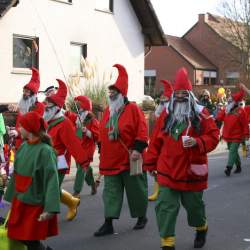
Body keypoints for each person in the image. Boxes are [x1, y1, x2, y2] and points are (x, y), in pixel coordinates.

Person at [144, 67, 219, 250]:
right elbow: (155, 142)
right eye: (176, 94)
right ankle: (167, 242)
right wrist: (150, 163)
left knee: (194, 208)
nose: (178, 97)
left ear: (189, 94)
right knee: (165, 207)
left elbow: (214, 136)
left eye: (182, 94)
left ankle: (201, 227)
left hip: (191, 171)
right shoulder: (166, 115)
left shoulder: (202, 115)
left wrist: (198, 141)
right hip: (167, 169)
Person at [94, 64, 148, 237]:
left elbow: (142, 129)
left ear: (121, 93)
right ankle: (108, 223)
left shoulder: (133, 109)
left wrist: (138, 149)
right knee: (110, 193)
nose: (110, 95)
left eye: (113, 92)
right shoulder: (109, 111)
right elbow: (103, 132)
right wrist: (101, 149)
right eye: (109, 92)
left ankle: (141, 216)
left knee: (136, 191)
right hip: (110, 160)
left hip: (130, 158)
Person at [4, 111, 60, 250]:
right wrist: (6, 202)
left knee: (30, 240)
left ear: (29, 129)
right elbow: (16, 176)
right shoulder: (23, 147)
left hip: (35, 204)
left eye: (21, 126)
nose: (19, 129)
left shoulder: (45, 151)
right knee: (17, 234)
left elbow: (52, 181)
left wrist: (51, 209)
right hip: (20, 201)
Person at [43, 79, 88, 221]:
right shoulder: (47, 120)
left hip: (59, 161)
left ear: (57, 107)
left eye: (49, 105)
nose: (46, 107)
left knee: (51, 189)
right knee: (48, 188)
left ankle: (47, 218)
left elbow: (73, 144)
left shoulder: (64, 123)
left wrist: (83, 161)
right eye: (46, 104)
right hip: (46, 160)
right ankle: (72, 202)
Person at [65, 95, 100, 198]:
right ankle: (93, 185)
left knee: (81, 168)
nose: (79, 107)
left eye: (80, 105)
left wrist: (87, 131)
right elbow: (70, 115)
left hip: (88, 148)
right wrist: (63, 111)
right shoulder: (78, 117)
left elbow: (96, 136)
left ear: (85, 106)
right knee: (85, 168)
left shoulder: (93, 120)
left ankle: (76, 192)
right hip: (78, 146)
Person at [7, 67, 45, 149]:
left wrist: (18, 133)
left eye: (27, 92)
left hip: (31, 146)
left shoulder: (39, 107)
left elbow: (34, 128)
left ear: (33, 95)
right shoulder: (22, 107)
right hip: (20, 146)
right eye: (23, 91)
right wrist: (14, 131)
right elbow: (20, 125)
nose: (24, 94)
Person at [148, 79, 173, 202]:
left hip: (168, 145)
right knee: (155, 166)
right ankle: (157, 190)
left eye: (166, 101)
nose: (163, 104)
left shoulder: (172, 113)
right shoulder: (158, 112)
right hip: (157, 142)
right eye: (162, 102)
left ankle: (164, 189)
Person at [216, 88, 249, 176]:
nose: (229, 102)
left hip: (238, 135)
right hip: (228, 134)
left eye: (231, 101)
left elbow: (245, 124)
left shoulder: (240, 111)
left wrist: (246, 134)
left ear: (235, 102)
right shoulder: (226, 110)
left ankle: (228, 168)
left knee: (232, 151)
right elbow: (219, 118)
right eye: (229, 101)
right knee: (233, 151)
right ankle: (238, 166)